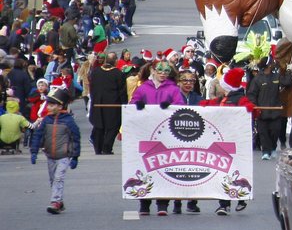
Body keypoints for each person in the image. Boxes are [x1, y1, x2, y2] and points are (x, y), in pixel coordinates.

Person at [130, 61, 188, 216]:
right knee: (145, 168)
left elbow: (181, 107)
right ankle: (144, 203)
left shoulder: (173, 89)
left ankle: (162, 203)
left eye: (167, 71)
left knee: (163, 169)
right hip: (146, 133)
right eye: (160, 71)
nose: (163, 74)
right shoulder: (143, 88)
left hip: (166, 135)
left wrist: (170, 106)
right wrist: (138, 105)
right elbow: (132, 103)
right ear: (153, 70)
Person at [199, 67, 254, 216]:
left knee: (236, 171)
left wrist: (249, 109)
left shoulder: (240, 99)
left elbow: (252, 110)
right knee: (223, 172)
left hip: (236, 142)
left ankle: (240, 199)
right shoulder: (223, 99)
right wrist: (205, 104)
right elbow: (212, 103)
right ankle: (224, 203)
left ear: (227, 87)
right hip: (223, 141)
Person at [29, 88, 80, 214]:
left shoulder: (68, 121)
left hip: (64, 155)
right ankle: (59, 201)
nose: (49, 107)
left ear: (60, 105)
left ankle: (55, 201)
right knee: (53, 179)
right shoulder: (46, 120)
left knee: (58, 178)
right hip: (50, 155)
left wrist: (75, 156)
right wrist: (34, 151)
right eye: (48, 104)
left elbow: (75, 138)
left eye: (52, 105)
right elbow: (38, 136)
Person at [247, 58, 292, 160]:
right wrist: (254, 106)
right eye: (272, 63)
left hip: (275, 110)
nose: (273, 64)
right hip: (261, 111)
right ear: (268, 66)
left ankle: (273, 148)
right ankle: (266, 152)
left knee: (275, 131)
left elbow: (286, 82)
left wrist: (289, 71)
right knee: (263, 133)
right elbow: (251, 94)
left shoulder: (276, 76)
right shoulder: (257, 79)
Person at [88, 53, 127, 155]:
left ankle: (98, 148)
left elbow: (91, 88)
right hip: (113, 105)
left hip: (97, 103)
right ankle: (106, 147)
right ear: (115, 61)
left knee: (99, 126)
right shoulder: (118, 74)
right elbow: (122, 92)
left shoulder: (95, 72)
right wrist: (124, 104)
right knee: (113, 126)